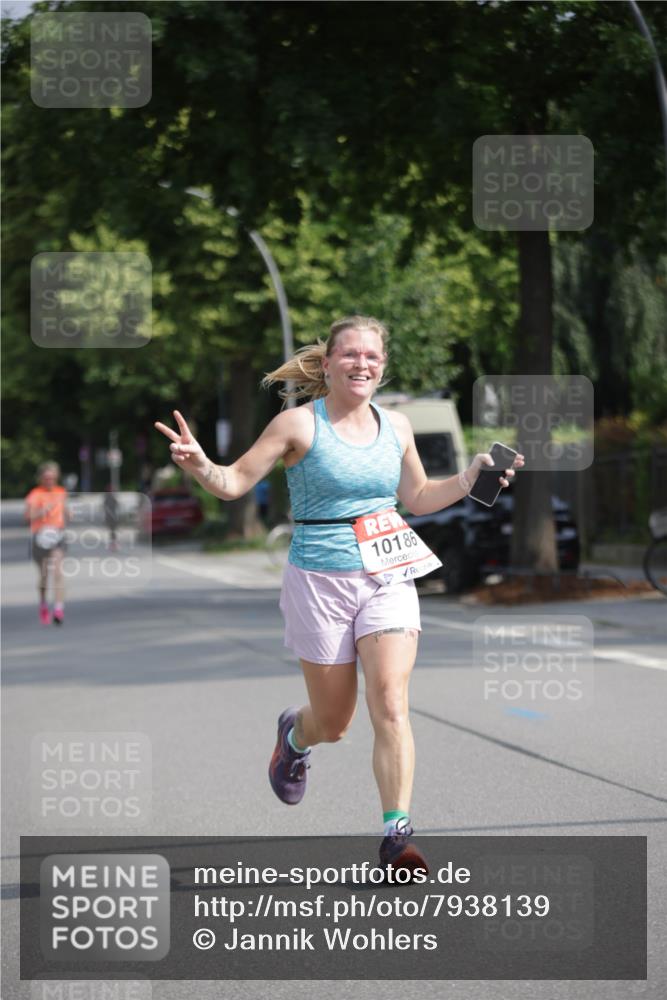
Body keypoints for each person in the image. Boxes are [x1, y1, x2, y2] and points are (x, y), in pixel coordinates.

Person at [155, 315, 524, 873]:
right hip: (320, 582)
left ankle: (396, 835)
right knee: (334, 722)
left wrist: (472, 475)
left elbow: (419, 497)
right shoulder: (297, 426)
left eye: (372, 357)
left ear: (382, 366)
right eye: (350, 355)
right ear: (326, 364)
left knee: (391, 702)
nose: (362, 364)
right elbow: (232, 483)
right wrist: (200, 463)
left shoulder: (397, 426)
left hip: (389, 575)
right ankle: (295, 736)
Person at [24, 461, 69, 626]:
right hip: (40, 537)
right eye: (46, 478)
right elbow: (27, 517)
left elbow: (65, 512)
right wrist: (41, 512)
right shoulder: (35, 494)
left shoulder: (61, 492)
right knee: (44, 576)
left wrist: (68, 514)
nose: (50, 480)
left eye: (52, 477)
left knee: (58, 573)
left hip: (57, 535)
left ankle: (58, 609)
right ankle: (43, 604)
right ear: (41, 478)